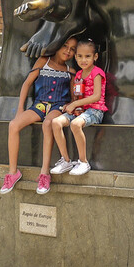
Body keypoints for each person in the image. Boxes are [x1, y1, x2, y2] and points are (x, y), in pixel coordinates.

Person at [0, 37, 78, 196]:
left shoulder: (71, 71)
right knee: (13, 125)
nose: (68, 51)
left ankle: (44, 174)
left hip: (58, 106)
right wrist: (20, 109)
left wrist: (73, 107)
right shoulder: (44, 61)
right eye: (65, 46)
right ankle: (13, 172)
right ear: (57, 45)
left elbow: (73, 96)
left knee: (48, 124)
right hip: (39, 105)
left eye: (72, 49)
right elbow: (27, 83)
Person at [49, 40, 107, 177]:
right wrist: (70, 105)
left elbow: (96, 96)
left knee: (75, 124)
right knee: (56, 122)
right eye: (80, 56)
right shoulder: (79, 74)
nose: (83, 60)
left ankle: (83, 161)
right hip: (80, 110)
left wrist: (75, 105)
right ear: (75, 57)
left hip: (95, 110)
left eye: (87, 56)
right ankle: (66, 160)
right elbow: (77, 95)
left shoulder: (97, 73)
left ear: (95, 57)